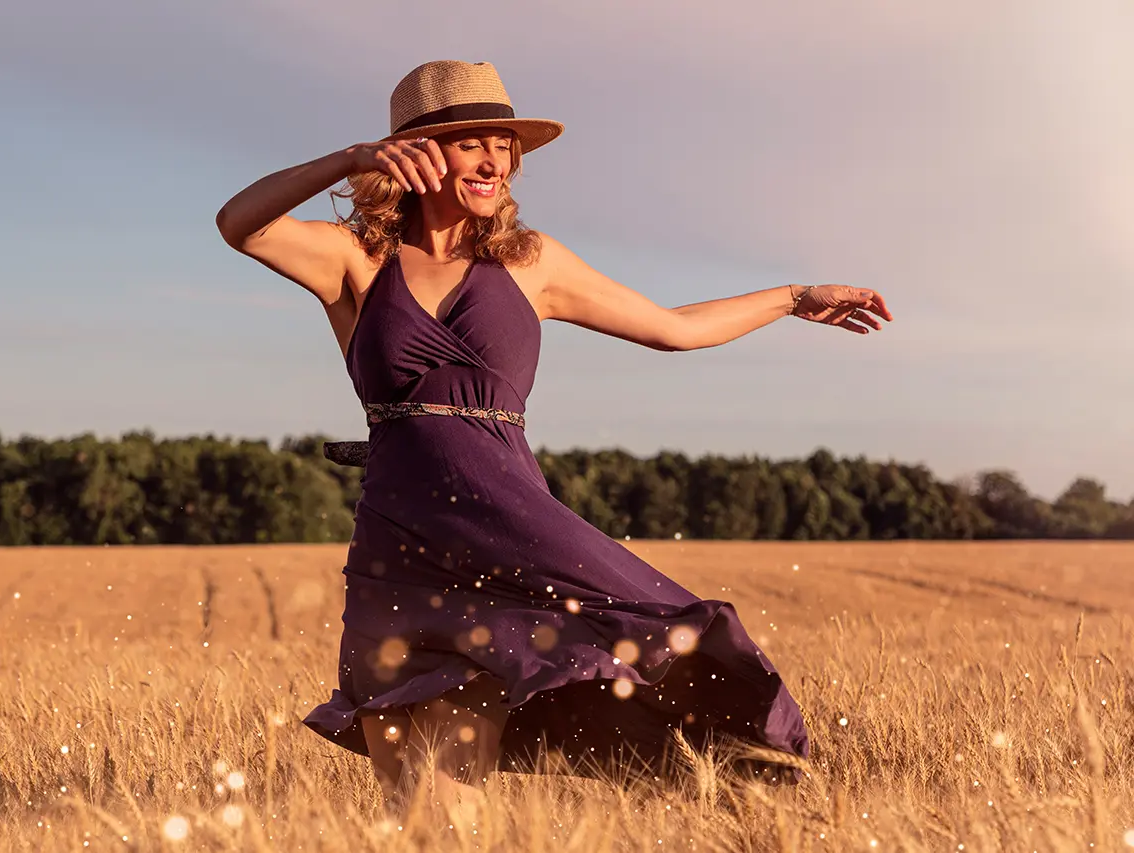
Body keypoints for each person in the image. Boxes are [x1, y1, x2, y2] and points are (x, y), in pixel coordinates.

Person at [216, 60, 892, 825]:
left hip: (516, 531)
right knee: (427, 817)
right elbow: (241, 224)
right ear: (416, 153)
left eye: (503, 144)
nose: (494, 161)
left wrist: (795, 297)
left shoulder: (530, 263)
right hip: (403, 549)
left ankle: (748, 799)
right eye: (471, 142)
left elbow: (673, 329)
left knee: (663, 642)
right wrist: (345, 160)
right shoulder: (356, 260)